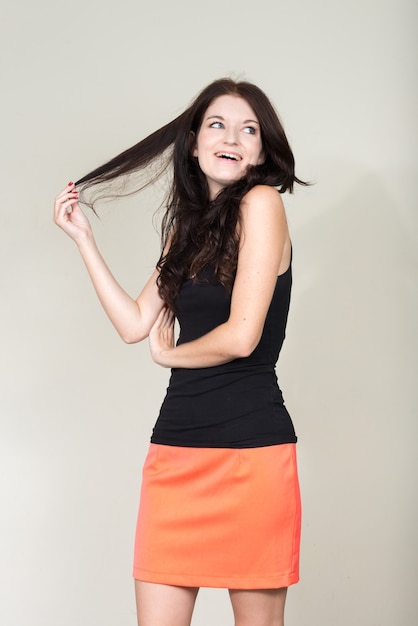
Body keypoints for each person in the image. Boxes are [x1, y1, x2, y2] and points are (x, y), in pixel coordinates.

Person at [54, 78, 306, 626]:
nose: (233, 137)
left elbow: (242, 336)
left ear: (262, 151)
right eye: (218, 124)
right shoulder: (187, 230)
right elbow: (135, 323)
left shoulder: (263, 204)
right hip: (176, 454)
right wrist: (84, 242)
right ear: (193, 143)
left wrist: (170, 356)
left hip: (251, 456)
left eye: (249, 129)